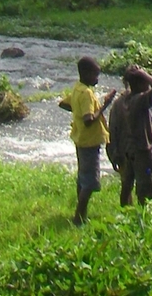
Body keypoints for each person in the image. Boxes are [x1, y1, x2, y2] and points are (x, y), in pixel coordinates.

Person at [66, 56, 116, 226]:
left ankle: (81, 214)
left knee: (82, 178)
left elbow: (64, 104)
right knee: (90, 181)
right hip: (89, 141)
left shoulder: (77, 88)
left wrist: (77, 112)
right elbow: (89, 119)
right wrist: (105, 105)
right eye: (95, 75)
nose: (97, 79)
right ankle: (79, 217)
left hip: (80, 139)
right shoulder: (86, 93)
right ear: (86, 74)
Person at [121, 64, 152, 204]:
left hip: (132, 148)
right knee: (147, 185)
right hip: (143, 150)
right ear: (139, 84)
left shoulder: (129, 98)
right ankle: (148, 213)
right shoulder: (140, 99)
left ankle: (126, 209)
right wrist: (143, 73)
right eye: (145, 80)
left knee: (128, 182)